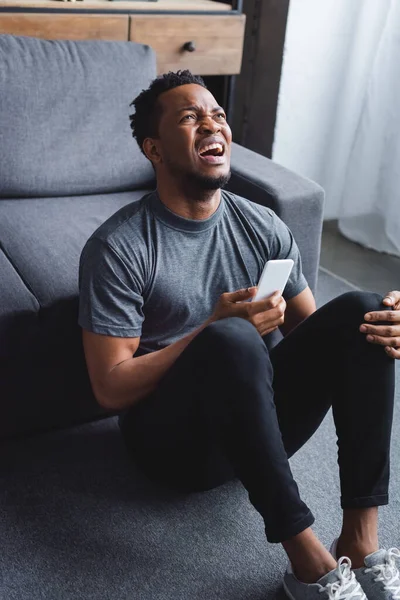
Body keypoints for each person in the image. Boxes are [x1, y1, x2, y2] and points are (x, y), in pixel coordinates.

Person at [78, 70, 400, 600]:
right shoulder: (120, 246)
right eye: (189, 117)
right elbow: (109, 388)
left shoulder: (264, 226)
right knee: (231, 340)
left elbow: (314, 334)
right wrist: (212, 328)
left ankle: (361, 541)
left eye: (218, 115)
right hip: (174, 449)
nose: (212, 123)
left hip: (259, 429)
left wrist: (381, 330)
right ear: (154, 149)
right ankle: (309, 563)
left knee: (362, 311)